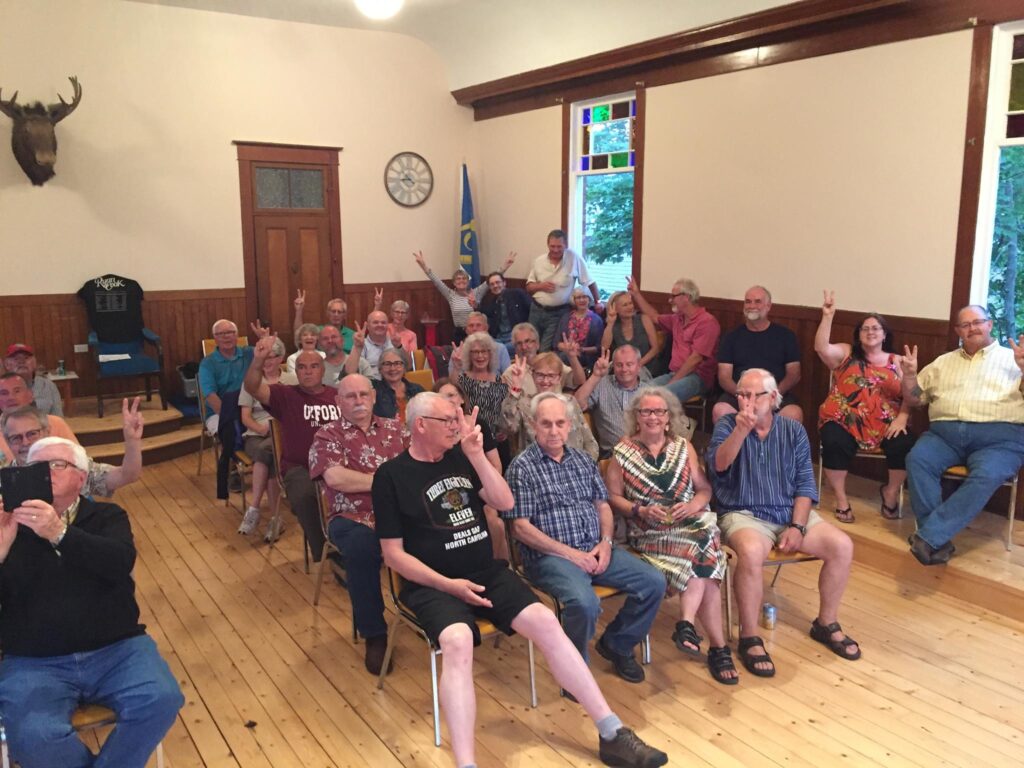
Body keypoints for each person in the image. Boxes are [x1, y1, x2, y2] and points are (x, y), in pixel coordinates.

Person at [373, 392, 668, 768]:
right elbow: (393, 555)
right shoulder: (390, 476)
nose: (457, 425)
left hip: (486, 573)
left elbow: (505, 503)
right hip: (434, 584)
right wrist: (448, 585)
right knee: (458, 641)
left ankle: (611, 732)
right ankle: (466, 764)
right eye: (448, 420)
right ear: (420, 425)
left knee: (546, 621)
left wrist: (477, 456)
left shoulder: (461, 458)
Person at [0, 437, 184, 768]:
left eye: (56, 465)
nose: (45, 473)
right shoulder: (6, 527)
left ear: (82, 478)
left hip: (116, 649)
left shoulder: (107, 516)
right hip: (34, 660)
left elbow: (118, 562)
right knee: (32, 736)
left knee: (161, 699)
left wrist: (59, 533)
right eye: (35, 467)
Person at [707, 368, 860, 676]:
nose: (748, 402)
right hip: (743, 512)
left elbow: (805, 484)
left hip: (789, 512)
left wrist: (798, 526)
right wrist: (740, 432)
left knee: (842, 545)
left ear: (774, 397)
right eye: (742, 395)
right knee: (751, 552)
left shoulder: (793, 430)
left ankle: (826, 623)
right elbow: (718, 467)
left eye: (756, 395)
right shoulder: (727, 424)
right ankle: (749, 636)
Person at [504, 393, 666, 682]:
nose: (554, 431)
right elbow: (520, 528)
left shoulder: (583, 460)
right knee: (584, 603)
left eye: (559, 423)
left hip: (596, 548)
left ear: (569, 425)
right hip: (550, 558)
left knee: (654, 582)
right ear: (533, 425)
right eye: (546, 424)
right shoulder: (521, 467)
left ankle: (617, 644)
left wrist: (606, 543)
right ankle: (574, 670)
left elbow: (602, 506)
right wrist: (571, 554)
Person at [605, 388, 735, 684]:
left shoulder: (683, 446)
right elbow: (612, 497)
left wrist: (692, 505)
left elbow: (704, 489)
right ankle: (716, 646)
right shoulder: (622, 451)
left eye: (659, 412)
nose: (653, 417)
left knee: (702, 539)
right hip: (651, 530)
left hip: (689, 521)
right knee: (706, 549)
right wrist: (639, 509)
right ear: (636, 417)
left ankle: (690, 626)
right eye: (646, 411)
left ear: (669, 417)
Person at [901, 305, 1024, 564]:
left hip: (999, 440)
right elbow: (914, 399)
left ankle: (928, 537)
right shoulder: (942, 363)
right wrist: (910, 376)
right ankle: (935, 539)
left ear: (990, 324)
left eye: (978, 322)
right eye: (965, 325)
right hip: (943, 436)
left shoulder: (1013, 360)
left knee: (988, 474)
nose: (973, 328)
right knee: (917, 459)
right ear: (958, 331)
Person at [309, 374, 408, 675]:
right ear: (338, 401)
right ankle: (374, 633)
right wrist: (385, 483)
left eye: (364, 394)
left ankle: (424, 611)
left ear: (374, 396)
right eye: (350, 396)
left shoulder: (396, 429)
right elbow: (335, 477)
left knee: (436, 532)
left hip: (400, 512)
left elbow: (417, 465)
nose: (359, 401)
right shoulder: (327, 435)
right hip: (351, 516)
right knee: (362, 548)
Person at [815, 290, 914, 524]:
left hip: (887, 423)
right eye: (865, 328)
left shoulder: (898, 361)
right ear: (858, 335)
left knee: (905, 443)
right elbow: (821, 348)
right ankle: (841, 500)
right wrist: (828, 316)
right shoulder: (846, 353)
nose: (870, 332)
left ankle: (890, 492)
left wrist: (904, 412)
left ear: (884, 334)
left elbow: (914, 396)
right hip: (842, 418)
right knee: (833, 440)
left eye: (876, 328)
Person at [243, 333, 340, 558]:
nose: (308, 371)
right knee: (305, 497)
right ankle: (326, 553)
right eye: (302, 367)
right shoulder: (285, 394)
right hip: (300, 467)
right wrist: (258, 360)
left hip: (337, 465)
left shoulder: (337, 396)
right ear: (296, 372)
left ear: (323, 370)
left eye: (314, 366)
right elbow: (252, 387)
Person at [1, 399, 144, 497]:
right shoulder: (4, 479)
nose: (25, 442)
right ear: (7, 442)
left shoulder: (72, 468)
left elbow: (127, 475)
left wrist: (132, 441)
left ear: (47, 432)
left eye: (32, 434)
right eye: (16, 438)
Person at [434, 377, 509, 560]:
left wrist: (484, 485)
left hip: (482, 489)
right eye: (442, 397)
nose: (448, 400)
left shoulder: (479, 424)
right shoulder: (436, 431)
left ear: (461, 398)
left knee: (494, 522)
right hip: (453, 492)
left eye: (451, 395)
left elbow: (496, 466)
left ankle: (501, 567)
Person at [713, 285, 802, 423]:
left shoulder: (786, 336)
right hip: (739, 394)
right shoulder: (731, 337)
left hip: (775, 394)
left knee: (794, 414)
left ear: (768, 306)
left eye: (758, 301)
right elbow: (724, 377)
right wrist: (744, 396)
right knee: (720, 410)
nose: (752, 306)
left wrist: (773, 395)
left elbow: (794, 374)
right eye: (748, 302)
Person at [627, 276, 719, 406]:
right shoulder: (677, 319)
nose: (670, 300)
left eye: (673, 296)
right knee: (640, 392)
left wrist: (673, 382)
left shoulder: (707, 322)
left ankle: (676, 418)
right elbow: (654, 316)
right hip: (675, 373)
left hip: (697, 378)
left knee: (660, 397)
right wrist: (636, 294)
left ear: (686, 297)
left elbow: (695, 359)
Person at [237, 336, 296, 536]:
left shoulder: (292, 380)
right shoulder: (252, 382)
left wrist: (277, 428)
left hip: (284, 432)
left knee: (266, 452)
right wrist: (260, 429)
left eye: (272, 357)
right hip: (256, 433)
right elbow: (245, 417)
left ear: (281, 358)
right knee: (268, 456)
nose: (267, 361)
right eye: (264, 357)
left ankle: (254, 509)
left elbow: (296, 411)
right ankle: (275, 518)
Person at [573, 346, 671, 459]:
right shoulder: (601, 384)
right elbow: (576, 405)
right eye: (619, 365)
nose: (624, 369)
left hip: (647, 452)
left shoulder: (650, 392)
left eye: (629, 364)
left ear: (639, 366)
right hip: (613, 454)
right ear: (613, 366)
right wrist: (596, 376)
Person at [502, 351, 598, 459]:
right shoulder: (523, 404)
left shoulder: (570, 401)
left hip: (576, 465)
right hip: (536, 466)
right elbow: (506, 428)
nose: (545, 381)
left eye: (551, 376)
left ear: (559, 378)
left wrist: (585, 464)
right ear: (533, 375)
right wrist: (516, 387)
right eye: (540, 375)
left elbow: (590, 443)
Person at [198, 319, 254, 499]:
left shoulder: (249, 353)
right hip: (219, 412)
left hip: (248, 406)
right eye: (221, 334)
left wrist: (264, 338)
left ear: (237, 335)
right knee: (228, 429)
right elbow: (210, 396)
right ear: (215, 338)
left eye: (230, 332)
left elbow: (270, 354)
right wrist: (230, 415)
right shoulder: (208, 363)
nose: (226, 337)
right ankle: (233, 470)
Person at [413, 250, 516, 343]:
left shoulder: (477, 292)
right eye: (458, 279)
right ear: (454, 282)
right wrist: (423, 265)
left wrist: (505, 266)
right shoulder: (450, 294)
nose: (461, 281)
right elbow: (436, 281)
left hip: (476, 332)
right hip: (459, 333)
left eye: (464, 278)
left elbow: (491, 280)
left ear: (468, 281)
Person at [526, 229, 601, 351]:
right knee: (529, 346)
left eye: (559, 246)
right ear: (547, 244)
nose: (555, 250)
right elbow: (529, 287)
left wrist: (598, 302)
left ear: (565, 245)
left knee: (545, 349)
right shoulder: (539, 261)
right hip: (536, 310)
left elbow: (589, 281)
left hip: (558, 313)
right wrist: (541, 286)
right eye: (552, 246)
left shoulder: (573, 258)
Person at [451, 331, 511, 467]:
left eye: (484, 351)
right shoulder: (462, 379)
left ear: (490, 354)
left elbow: (506, 410)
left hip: (497, 441)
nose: (480, 356)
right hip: (472, 438)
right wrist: (456, 367)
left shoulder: (500, 380)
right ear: (469, 355)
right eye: (475, 352)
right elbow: (452, 393)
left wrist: (504, 430)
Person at [0, 372, 78, 463]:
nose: (11, 397)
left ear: (30, 395)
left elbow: (77, 459)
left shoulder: (55, 423)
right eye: (4, 393)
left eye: (17, 391)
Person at [500, 322, 584, 397]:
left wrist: (572, 357)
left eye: (528, 341)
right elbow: (508, 406)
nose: (524, 347)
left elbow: (580, 381)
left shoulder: (552, 362)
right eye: (519, 343)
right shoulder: (510, 374)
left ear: (537, 344)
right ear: (515, 348)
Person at [601, 292, 661, 373]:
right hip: (622, 370)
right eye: (625, 305)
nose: (630, 307)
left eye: (630, 303)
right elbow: (604, 347)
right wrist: (610, 323)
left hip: (645, 367)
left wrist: (637, 365)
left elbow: (655, 349)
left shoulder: (643, 319)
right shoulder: (613, 325)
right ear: (615, 309)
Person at [4, 342, 64, 416]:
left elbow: (58, 417)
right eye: (16, 359)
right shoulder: (2, 388)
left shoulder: (48, 386)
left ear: (34, 363)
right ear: (7, 365)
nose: (21, 362)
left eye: (26, 358)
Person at [555, 288, 605, 369]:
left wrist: (581, 349)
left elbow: (598, 348)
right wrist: (568, 348)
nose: (582, 300)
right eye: (578, 298)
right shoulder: (565, 317)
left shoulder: (597, 320)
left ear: (589, 299)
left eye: (584, 297)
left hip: (584, 356)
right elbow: (557, 342)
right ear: (574, 300)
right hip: (565, 353)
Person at [478, 270, 530, 348]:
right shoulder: (492, 303)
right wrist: (475, 306)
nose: (495, 286)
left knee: (499, 349)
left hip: (516, 337)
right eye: (492, 284)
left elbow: (531, 310)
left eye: (497, 282)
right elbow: (484, 313)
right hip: (499, 338)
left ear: (504, 283)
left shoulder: (517, 294)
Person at [372, 348, 425, 422]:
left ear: (404, 368)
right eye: (387, 364)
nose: (392, 368)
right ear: (380, 369)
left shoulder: (417, 390)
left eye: (397, 363)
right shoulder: (374, 390)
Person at [353, 311, 408, 379]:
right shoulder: (361, 345)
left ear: (387, 326)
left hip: (394, 381)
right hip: (371, 383)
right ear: (368, 326)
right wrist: (357, 347)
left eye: (383, 322)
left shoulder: (395, 342)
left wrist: (399, 346)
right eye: (375, 322)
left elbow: (409, 366)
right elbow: (354, 372)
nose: (380, 325)